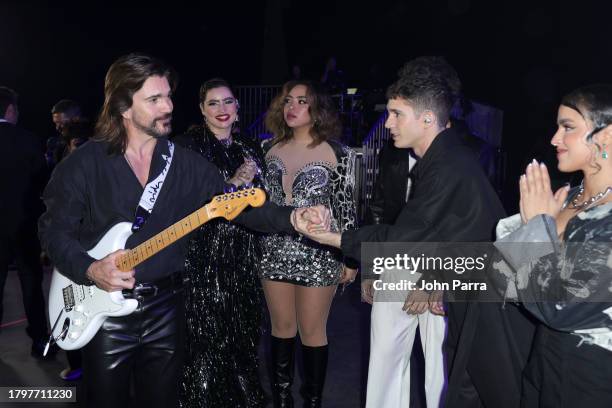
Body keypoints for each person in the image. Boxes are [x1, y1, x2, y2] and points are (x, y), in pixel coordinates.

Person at [38, 53, 322, 408]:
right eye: (154, 99)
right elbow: (54, 233)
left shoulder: (185, 164)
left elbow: (241, 208)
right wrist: (91, 269)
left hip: (166, 309)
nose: (168, 106)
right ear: (124, 107)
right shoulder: (84, 164)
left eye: (169, 96)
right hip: (104, 317)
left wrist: (293, 218)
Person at [294, 57, 536, 408]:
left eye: (396, 114)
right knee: (386, 365)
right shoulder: (431, 156)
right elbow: (404, 222)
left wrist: (331, 237)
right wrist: (371, 270)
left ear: (427, 117)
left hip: (449, 279)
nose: (388, 122)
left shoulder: (457, 161)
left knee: (445, 375)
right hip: (401, 261)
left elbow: (473, 232)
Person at [493, 84, 612, 407]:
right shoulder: (567, 198)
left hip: (592, 380)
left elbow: (562, 306)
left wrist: (536, 228)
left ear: (607, 135)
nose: (554, 139)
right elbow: (504, 278)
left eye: (568, 127)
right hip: (543, 365)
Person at [259, 79, 358, 408]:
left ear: (317, 110)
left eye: (302, 101)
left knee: (312, 331)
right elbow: (260, 205)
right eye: (288, 101)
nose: (292, 107)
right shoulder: (266, 149)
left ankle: (312, 402)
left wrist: (351, 259)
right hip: (273, 251)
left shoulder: (337, 153)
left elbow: (346, 209)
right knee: (281, 328)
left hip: (319, 254)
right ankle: (282, 400)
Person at [174, 78, 266, 408]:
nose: (222, 110)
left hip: (244, 259)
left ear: (238, 108)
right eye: (213, 103)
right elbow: (185, 206)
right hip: (201, 259)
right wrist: (233, 183)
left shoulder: (252, 148)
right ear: (201, 110)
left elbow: (264, 203)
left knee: (243, 338)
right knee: (204, 343)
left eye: (228, 102)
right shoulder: (187, 149)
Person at [0, 86, 50, 359]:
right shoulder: (28, 140)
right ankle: (40, 340)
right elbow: (44, 182)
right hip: (24, 224)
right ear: (10, 109)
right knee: (31, 283)